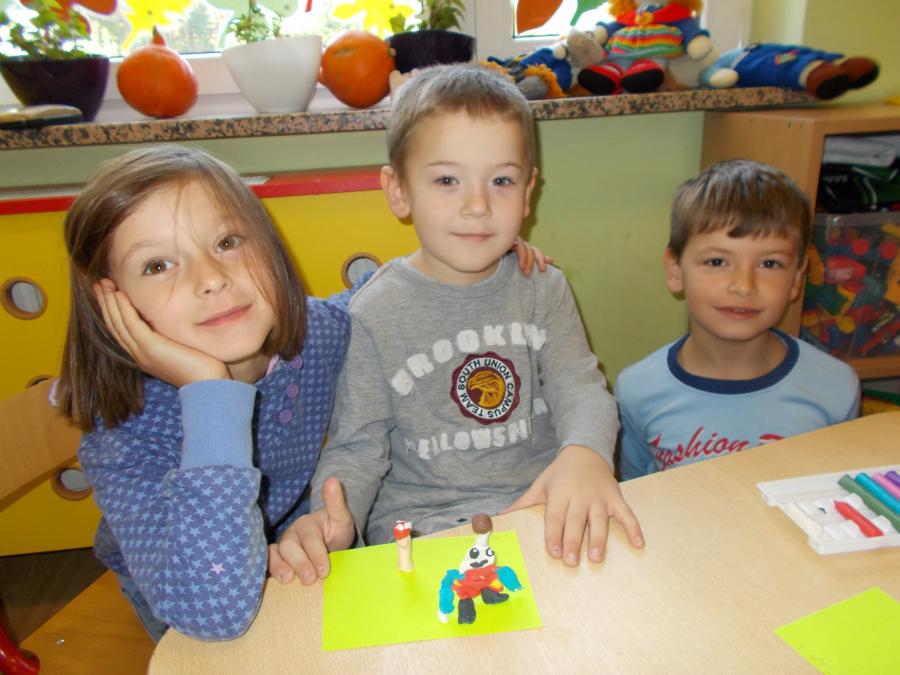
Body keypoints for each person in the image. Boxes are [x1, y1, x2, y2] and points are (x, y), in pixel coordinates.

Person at [55, 144, 546, 642]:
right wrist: (210, 392)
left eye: (227, 242)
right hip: (196, 593)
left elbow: (383, 301)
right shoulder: (123, 437)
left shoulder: (317, 335)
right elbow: (216, 613)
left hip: (305, 549)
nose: (211, 279)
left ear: (267, 246)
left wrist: (477, 258)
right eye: (157, 265)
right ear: (111, 304)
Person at [270, 65, 645, 587]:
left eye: (501, 181)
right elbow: (358, 446)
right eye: (447, 180)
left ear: (528, 193)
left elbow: (580, 388)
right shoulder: (373, 311)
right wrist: (333, 516)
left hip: (543, 509)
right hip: (424, 529)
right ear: (398, 191)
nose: (477, 206)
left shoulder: (543, 286)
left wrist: (586, 454)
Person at [616, 159, 860, 481]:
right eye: (717, 261)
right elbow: (638, 494)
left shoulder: (835, 387)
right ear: (675, 270)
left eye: (770, 264)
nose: (743, 286)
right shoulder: (637, 390)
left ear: (797, 278)